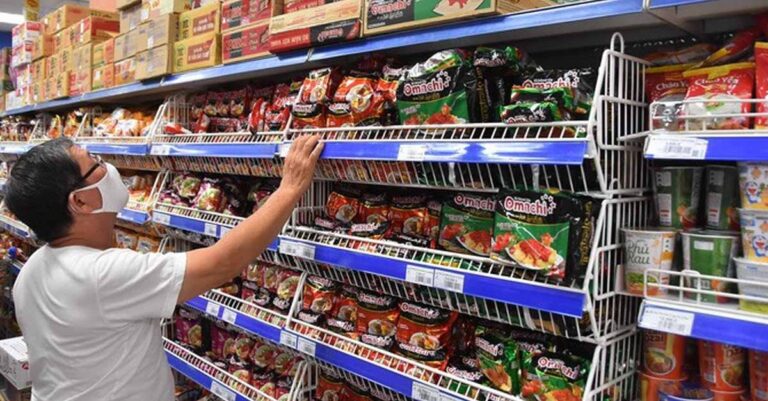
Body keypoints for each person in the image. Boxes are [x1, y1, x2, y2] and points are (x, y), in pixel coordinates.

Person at [5, 135, 323, 401]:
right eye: (95, 163)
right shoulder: (102, 275)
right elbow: (223, 263)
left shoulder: (33, 270)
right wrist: (289, 189)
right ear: (81, 201)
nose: (108, 167)